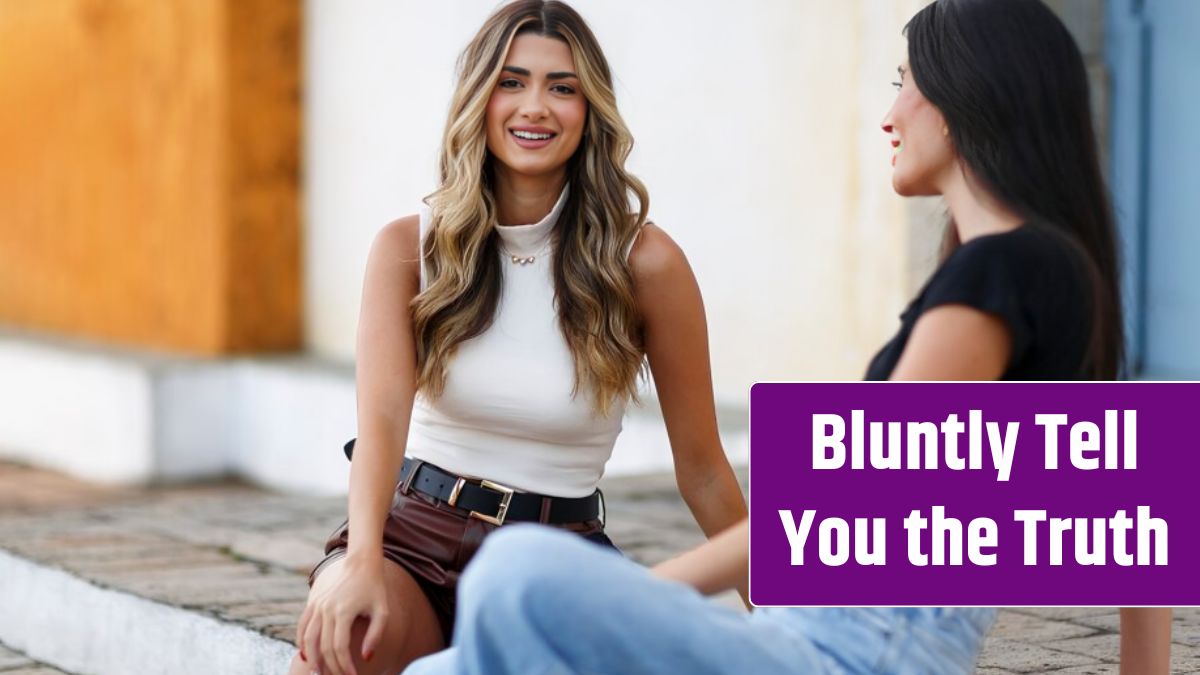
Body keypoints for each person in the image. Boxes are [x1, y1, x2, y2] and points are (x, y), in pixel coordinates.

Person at [404, 1, 1168, 673]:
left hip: (855, 649)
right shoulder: (1049, 272)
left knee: (519, 574)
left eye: (904, 83)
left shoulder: (1005, 270)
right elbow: (1138, 515)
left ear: (969, 95)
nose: (890, 114)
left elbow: (855, 507)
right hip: (836, 639)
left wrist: (633, 595)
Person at [290, 2, 748, 674]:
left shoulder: (645, 263)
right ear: (479, 97)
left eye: (562, 87)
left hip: (559, 553)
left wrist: (799, 618)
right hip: (415, 539)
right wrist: (358, 559)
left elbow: (704, 469)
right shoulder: (407, 250)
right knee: (340, 640)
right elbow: (381, 428)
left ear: (590, 109)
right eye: (512, 81)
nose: (536, 106)